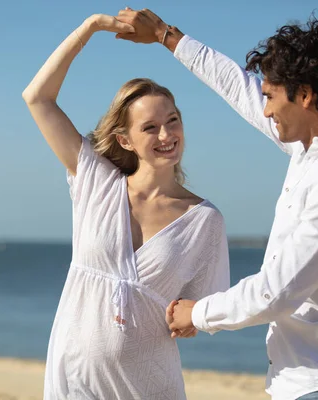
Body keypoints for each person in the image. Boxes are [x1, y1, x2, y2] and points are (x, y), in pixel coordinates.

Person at [115, 8, 318, 400]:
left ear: (305, 97)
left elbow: (275, 292)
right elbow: (237, 87)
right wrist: (165, 35)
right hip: (302, 381)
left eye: (271, 99)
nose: (265, 111)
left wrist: (196, 313)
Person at [22, 13, 230, 400]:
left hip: (148, 388)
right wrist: (89, 29)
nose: (167, 135)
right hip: (74, 383)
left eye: (173, 120)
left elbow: (203, 312)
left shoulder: (204, 221)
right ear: (125, 139)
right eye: (150, 127)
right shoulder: (96, 184)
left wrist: (193, 319)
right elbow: (37, 98)